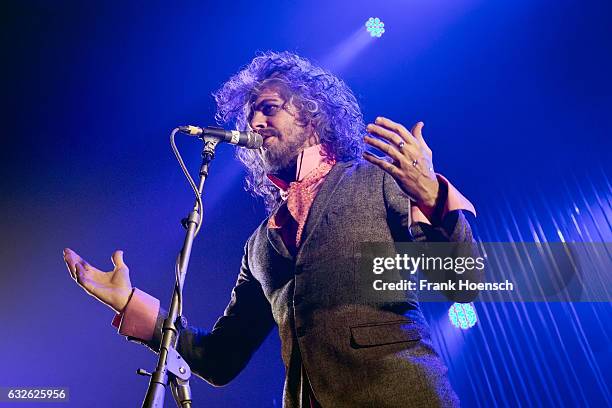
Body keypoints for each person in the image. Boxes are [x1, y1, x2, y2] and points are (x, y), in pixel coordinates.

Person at [64, 51, 477, 407]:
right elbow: (220, 359)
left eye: (268, 107)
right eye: (250, 115)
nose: (256, 123)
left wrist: (432, 196)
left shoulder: (374, 180)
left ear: (312, 114)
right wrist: (129, 302)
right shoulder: (260, 243)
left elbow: (464, 283)